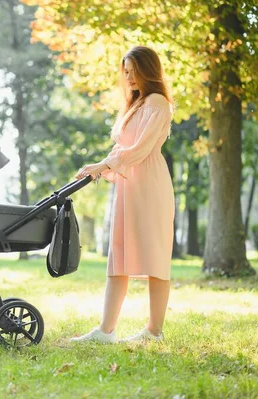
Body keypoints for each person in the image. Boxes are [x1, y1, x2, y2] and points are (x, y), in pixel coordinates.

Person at [72, 46, 175, 344]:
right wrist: (100, 167)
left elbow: (140, 149)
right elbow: (122, 149)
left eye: (133, 71)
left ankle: (154, 331)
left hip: (150, 186)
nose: (128, 77)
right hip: (129, 185)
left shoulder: (157, 103)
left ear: (148, 70)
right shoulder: (137, 103)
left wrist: (104, 165)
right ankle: (106, 330)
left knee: (154, 256)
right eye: (126, 72)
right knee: (119, 254)